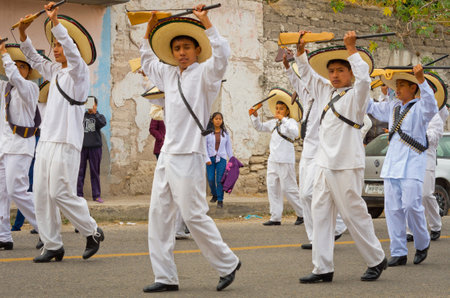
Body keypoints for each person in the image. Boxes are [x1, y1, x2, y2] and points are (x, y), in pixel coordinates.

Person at [140, 5, 240, 292]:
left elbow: (223, 55)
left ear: (197, 50)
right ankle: (165, 276)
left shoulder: (207, 74)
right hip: (168, 154)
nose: (181, 52)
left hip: (191, 154)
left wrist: (206, 22)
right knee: (158, 216)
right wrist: (150, 27)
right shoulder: (169, 75)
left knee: (194, 214)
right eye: (176, 48)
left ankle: (227, 263)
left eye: (186, 47)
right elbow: (147, 60)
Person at [294, 31, 386, 283]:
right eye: (331, 71)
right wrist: (300, 53)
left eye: (340, 71)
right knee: (321, 214)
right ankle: (322, 267)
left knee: (353, 214)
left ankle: (376, 259)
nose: (334, 75)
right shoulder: (327, 92)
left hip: (346, 165)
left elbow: (365, 81)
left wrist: (351, 50)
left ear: (351, 73)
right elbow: (309, 78)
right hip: (324, 164)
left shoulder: (357, 96)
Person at [19, 2, 104, 262]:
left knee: (60, 193)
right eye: (53, 45)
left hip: (67, 142)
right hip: (46, 141)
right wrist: (22, 34)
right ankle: (53, 244)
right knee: (42, 196)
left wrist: (56, 23)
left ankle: (92, 231)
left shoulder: (79, 73)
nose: (56, 49)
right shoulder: (55, 72)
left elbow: (73, 54)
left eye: (60, 45)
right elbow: (33, 58)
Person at [367, 65, 441, 267]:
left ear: (413, 88)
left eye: (401, 85)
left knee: (411, 205)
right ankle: (398, 251)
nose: (396, 89)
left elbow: (432, 106)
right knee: (392, 209)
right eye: (396, 85)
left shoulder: (421, 108)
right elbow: (370, 107)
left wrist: (422, 80)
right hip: (392, 164)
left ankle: (422, 242)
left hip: (413, 163)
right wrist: (363, 81)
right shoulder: (393, 107)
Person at [284, 57, 347, 249]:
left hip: (322, 150)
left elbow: (308, 76)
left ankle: (337, 226)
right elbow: (298, 80)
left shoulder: (326, 94)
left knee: (312, 193)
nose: (307, 84)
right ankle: (314, 238)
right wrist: (287, 66)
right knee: (304, 195)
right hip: (308, 150)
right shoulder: (307, 96)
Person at [0, 40, 42, 250]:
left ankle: (45, 229)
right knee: (1, 193)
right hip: (3, 147)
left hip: (20, 147)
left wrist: (5, 55)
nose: (17, 69)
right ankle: (3, 236)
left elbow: (14, 77)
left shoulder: (30, 88)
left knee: (18, 191)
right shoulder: (4, 87)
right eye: (14, 65)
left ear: (28, 71)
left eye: (22, 66)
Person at [249, 88, 304, 226]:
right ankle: (275, 217)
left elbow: (295, 132)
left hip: (285, 159)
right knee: (273, 187)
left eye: (281, 109)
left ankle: (302, 213)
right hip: (273, 159)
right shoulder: (273, 123)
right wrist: (254, 116)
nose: (278, 111)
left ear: (287, 111)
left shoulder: (290, 122)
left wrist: (284, 119)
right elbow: (260, 127)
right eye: (277, 108)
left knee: (289, 188)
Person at [406, 107, 449, 242]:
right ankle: (410, 230)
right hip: (410, 159)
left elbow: (434, 137)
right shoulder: (410, 110)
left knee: (425, 194)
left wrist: (417, 132)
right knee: (410, 196)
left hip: (426, 159)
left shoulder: (434, 115)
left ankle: (435, 225)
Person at [77, 96, 106, 203]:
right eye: (88, 103)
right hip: (82, 148)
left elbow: (102, 124)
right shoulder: (81, 116)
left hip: (95, 148)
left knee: (95, 172)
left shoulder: (100, 116)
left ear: (96, 105)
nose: (90, 106)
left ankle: (96, 195)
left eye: (92, 103)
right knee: (80, 172)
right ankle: (79, 194)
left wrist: (95, 113)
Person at [206, 112, 233, 208]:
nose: (218, 121)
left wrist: (232, 159)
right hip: (210, 158)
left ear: (222, 121)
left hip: (221, 158)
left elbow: (228, 148)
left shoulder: (225, 133)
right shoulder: (208, 133)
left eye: (220, 119)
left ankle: (220, 200)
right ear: (212, 120)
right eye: (216, 119)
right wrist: (206, 158)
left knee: (220, 180)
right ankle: (215, 194)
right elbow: (204, 147)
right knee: (210, 178)